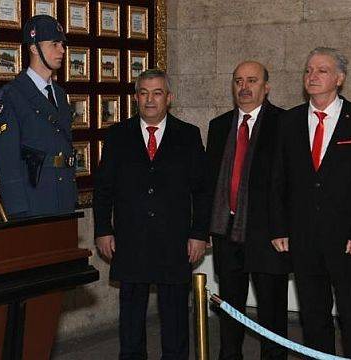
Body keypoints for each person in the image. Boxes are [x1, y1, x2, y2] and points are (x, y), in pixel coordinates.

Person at [270, 47, 351, 359]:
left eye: (321, 70)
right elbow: (278, 179)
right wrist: (279, 227)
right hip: (303, 239)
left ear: (340, 78)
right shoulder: (288, 121)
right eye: (308, 70)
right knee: (314, 317)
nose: (312, 76)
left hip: (349, 241)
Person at [94, 69, 210, 360]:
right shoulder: (118, 135)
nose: (150, 99)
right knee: (131, 317)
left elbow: (202, 191)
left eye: (157, 93)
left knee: (174, 318)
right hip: (130, 240)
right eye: (144, 93)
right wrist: (102, 230)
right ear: (136, 98)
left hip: (174, 241)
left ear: (168, 98)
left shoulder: (188, 135)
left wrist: (199, 234)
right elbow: (103, 188)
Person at [207, 61, 289, 360]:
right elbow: (211, 183)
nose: (244, 87)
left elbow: (291, 182)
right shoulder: (218, 126)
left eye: (252, 80)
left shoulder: (285, 123)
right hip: (226, 233)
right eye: (238, 80)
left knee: (272, 311)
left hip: (269, 235)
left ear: (266, 87)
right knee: (229, 308)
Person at [0, 15, 77, 218]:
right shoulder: (11, 96)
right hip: (33, 201)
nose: (62, 50)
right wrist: (18, 210)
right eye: (54, 44)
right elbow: (7, 159)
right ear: (33, 48)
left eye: (62, 44)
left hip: (63, 198)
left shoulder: (60, 95)